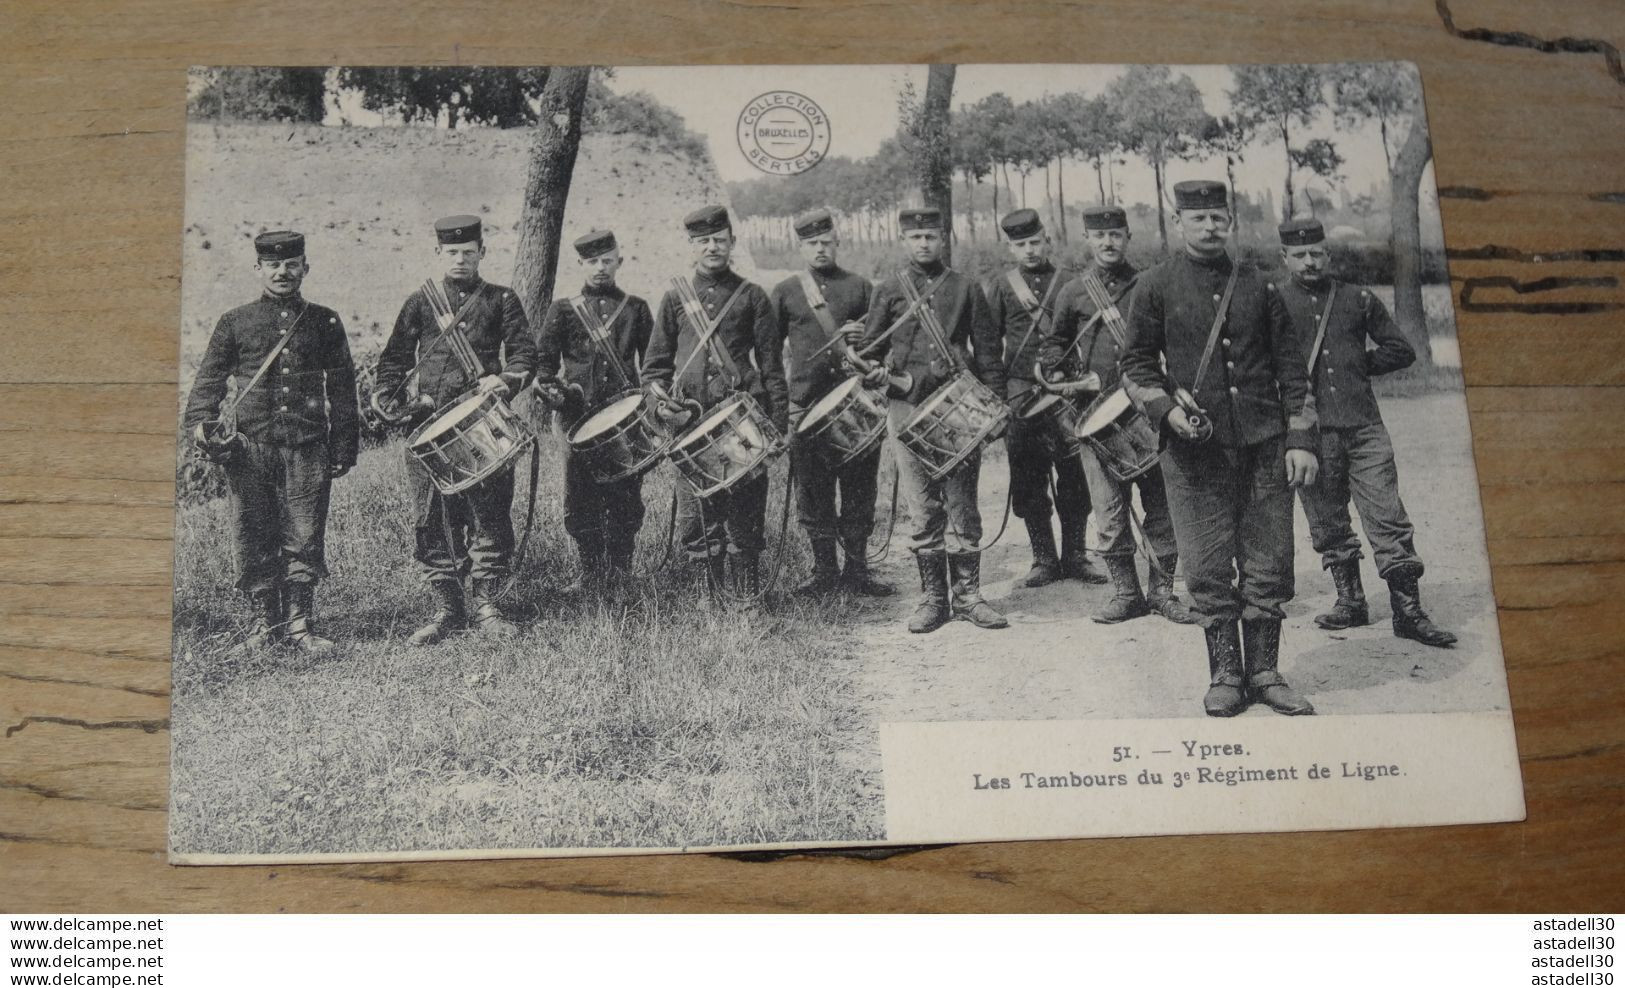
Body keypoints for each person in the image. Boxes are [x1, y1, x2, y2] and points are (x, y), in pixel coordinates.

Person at [1120, 180, 1319, 717]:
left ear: (1229, 221)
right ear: (1178, 221)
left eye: (1218, 217)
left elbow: (1293, 373)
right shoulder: (1154, 285)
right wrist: (1166, 410)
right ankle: (1227, 674)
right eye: (1199, 218)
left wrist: (1300, 439)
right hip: (1193, 455)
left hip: (1263, 445)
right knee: (1206, 564)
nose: (1210, 226)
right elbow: (1135, 367)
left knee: (1269, 558)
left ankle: (1266, 672)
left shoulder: (1259, 285)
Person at [1275, 217, 1456, 647]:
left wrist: (1359, 366)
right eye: (1299, 254)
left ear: (1329, 254)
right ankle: (1350, 601)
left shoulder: (1358, 299)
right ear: (1284, 258)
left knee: (1387, 516)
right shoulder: (1274, 304)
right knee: (1327, 520)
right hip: (1309, 432)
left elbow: (1401, 350)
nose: (1309, 261)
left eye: (1317, 252)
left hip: (1364, 427)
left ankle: (1408, 613)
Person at [183, 230, 360, 654]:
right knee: (254, 535)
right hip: (250, 449)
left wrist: (343, 446)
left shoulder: (324, 321)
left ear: (305, 268)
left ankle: (301, 626)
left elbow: (342, 388)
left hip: (308, 447)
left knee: (305, 535)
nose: (283, 272)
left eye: (292, 264)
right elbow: (207, 384)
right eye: (274, 265)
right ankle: (265, 626)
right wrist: (201, 427)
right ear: (258, 269)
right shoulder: (235, 321)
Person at [375, 215, 537, 645]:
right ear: (438, 254)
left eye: (469, 252)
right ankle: (448, 608)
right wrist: (390, 399)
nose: (461, 259)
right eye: (452, 252)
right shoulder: (419, 302)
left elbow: (524, 355)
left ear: (482, 252)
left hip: (483, 426)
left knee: (490, 515)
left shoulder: (502, 299)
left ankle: (487, 605)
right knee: (431, 520)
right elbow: (392, 360)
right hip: (428, 429)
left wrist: (506, 379)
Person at [1043, 205, 1194, 626]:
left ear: (1128, 237)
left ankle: (1162, 591)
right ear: (1088, 240)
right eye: (1099, 236)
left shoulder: (1149, 285)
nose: (1108, 243)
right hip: (1096, 416)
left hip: (1148, 409)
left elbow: (1174, 341)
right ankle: (1126, 593)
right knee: (1108, 509)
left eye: (1116, 235)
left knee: (1162, 503)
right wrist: (1071, 374)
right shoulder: (1073, 292)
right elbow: (1053, 347)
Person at [862, 206, 1007, 634]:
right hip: (906, 412)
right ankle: (933, 600)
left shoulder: (965, 287)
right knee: (922, 507)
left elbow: (987, 353)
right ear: (904, 240)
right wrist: (875, 374)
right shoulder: (889, 289)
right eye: (915, 236)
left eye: (931, 235)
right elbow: (869, 350)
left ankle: (968, 598)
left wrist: (995, 408)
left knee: (963, 505)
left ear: (943, 238)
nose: (923, 243)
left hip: (957, 411)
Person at [641, 205, 788, 597]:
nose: (712, 247)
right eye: (703, 241)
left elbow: (772, 368)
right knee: (695, 515)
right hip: (690, 426)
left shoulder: (752, 296)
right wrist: (659, 408)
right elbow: (653, 370)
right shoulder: (675, 299)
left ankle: (745, 596)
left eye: (719, 240)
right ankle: (709, 596)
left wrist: (780, 426)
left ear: (731, 243)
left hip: (742, 421)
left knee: (745, 512)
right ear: (691, 246)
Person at [769, 208, 893, 597]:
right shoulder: (787, 291)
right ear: (800, 246)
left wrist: (864, 341)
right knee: (813, 491)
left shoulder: (859, 287)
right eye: (812, 243)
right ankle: (824, 571)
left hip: (855, 404)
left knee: (859, 489)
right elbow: (770, 352)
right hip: (806, 405)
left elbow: (881, 346)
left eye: (826, 242)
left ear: (837, 242)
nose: (820, 249)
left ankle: (857, 571)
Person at [984, 208, 1100, 589]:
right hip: (1021, 392)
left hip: (1065, 389)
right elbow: (988, 344)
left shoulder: (1069, 281)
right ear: (1010, 247)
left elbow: (1084, 336)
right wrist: (999, 397)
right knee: (1028, 475)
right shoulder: (1002, 286)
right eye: (1021, 244)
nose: (1030, 250)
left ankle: (1076, 555)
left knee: (1074, 473)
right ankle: (1044, 558)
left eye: (1035, 242)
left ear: (1047, 240)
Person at [535, 229, 655, 589]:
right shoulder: (563, 310)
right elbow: (544, 362)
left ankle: (621, 570)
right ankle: (589, 571)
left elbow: (652, 365)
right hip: (577, 419)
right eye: (592, 261)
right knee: (580, 495)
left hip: (625, 422)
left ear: (620, 260)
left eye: (607, 260)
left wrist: (649, 401)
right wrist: (550, 388)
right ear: (581, 264)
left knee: (626, 495)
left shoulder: (636, 309)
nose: (600, 268)